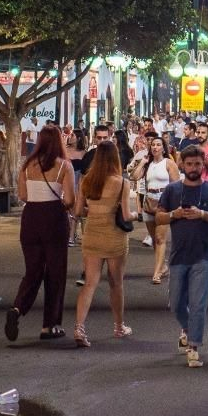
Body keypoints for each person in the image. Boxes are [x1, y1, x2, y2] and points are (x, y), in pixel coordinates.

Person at [156, 146, 208, 367]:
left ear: (203, 164)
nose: (194, 168)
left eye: (198, 164)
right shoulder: (172, 190)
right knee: (176, 303)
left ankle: (193, 346)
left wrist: (202, 214)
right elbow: (158, 217)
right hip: (178, 255)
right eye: (189, 164)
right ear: (182, 164)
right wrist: (174, 214)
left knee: (198, 303)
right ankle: (186, 328)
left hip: (203, 254)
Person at [5, 125, 76, 342]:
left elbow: (23, 195)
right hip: (53, 217)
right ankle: (50, 324)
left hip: (31, 217)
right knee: (56, 272)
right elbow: (70, 200)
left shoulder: (27, 166)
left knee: (33, 270)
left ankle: (17, 308)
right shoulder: (64, 165)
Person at [72, 141, 137, 347]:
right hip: (114, 236)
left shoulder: (87, 180)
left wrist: (94, 210)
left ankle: (79, 327)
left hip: (92, 233)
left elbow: (78, 211)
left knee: (90, 283)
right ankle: (119, 326)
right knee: (116, 283)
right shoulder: (122, 183)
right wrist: (137, 214)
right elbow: (126, 214)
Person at [136, 135, 177, 284]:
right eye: (153, 145)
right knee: (154, 239)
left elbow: (176, 184)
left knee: (160, 239)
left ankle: (157, 272)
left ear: (163, 148)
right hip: (149, 203)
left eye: (158, 145)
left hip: (163, 203)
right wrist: (142, 163)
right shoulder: (148, 164)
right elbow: (134, 177)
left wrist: (174, 204)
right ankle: (163, 265)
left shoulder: (169, 163)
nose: (155, 147)